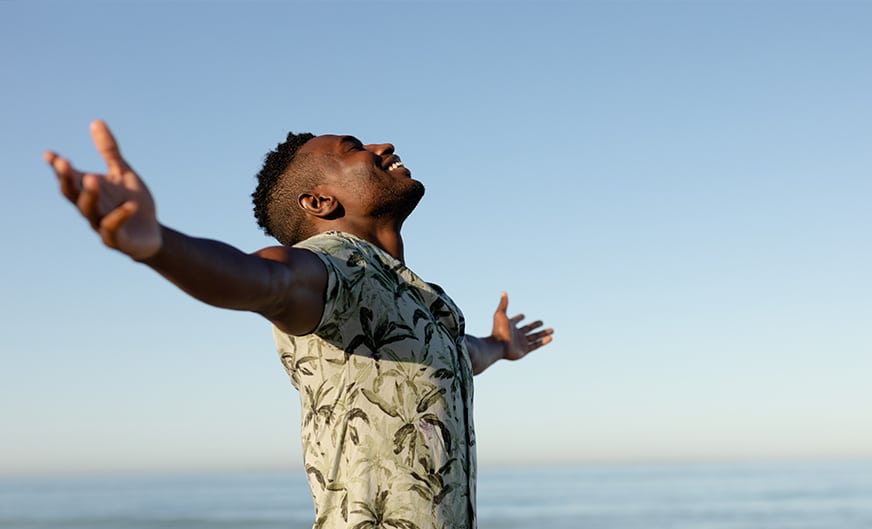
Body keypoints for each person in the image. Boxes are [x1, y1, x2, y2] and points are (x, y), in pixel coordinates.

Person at [43, 120, 554, 529]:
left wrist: (498, 346)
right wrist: (158, 244)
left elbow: (452, 356)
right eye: (354, 147)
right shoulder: (330, 261)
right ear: (320, 202)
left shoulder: (415, 297)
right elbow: (262, 280)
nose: (383, 144)